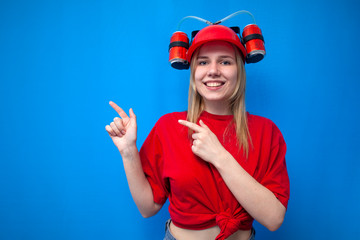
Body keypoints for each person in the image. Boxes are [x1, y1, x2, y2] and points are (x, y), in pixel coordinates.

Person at [105, 24, 290, 240]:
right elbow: (148, 208)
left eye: (225, 61)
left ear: (239, 69)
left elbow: (274, 218)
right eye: (203, 62)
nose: (213, 70)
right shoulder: (168, 126)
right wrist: (128, 151)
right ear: (193, 72)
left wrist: (220, 156)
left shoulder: (266, 132)